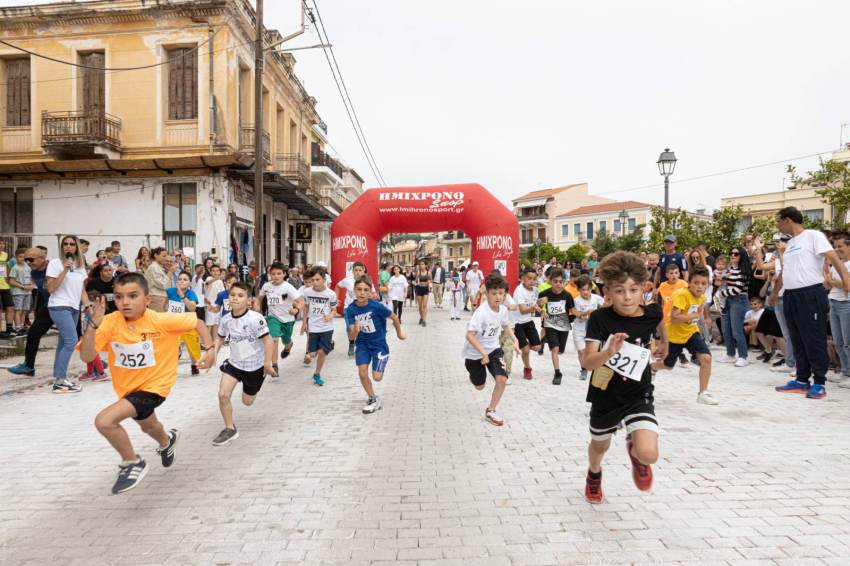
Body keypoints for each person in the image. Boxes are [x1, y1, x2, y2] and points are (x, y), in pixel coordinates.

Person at [79, 272, 216, 494]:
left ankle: (132, 462)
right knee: (149, 426)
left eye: (133, 296)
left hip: (156, 387)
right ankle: (167, 440)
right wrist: (92, 326)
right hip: (128, 390)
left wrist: (210, 350)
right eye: (119, 296)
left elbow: (198, 322)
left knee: (105, 421)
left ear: (147, 299)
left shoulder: (160, 320)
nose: (125, 302)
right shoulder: (110, 323)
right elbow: (86, 356)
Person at [581, 251, 668, 504]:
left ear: (644, 288)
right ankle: (594, 475)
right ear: (607, 291)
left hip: (638, 393)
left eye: (633, 289)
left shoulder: (652, 312)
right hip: (605, 394)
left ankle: (635, 451)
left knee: (649, 454)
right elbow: (587, 361)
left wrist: (665, 343)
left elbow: (660, 321)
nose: (627, 297)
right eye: (619, 291)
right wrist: (609, 352)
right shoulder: (600, 319)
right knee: (600, 445)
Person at [774, 207, 850, 398]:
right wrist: (774, 292)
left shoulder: (813, 236)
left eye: (779, 221)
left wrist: (846, 280)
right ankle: (801, 379)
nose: (777, 224)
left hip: (811, 295)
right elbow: (786, 271)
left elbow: (833, 257)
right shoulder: (790, 244)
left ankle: (819, 383)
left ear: (788, 220)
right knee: (797, 339)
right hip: (791, 296)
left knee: (813, 338)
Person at [211, 282, 275, 446]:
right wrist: (213, 353)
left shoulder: (255, 318)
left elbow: (268, 341)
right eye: (233, 295)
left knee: (247, 402)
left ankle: (252, 388)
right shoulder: (225, 320)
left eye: (240, 295)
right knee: (223, 395)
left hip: (255, 367)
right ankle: (229, 429)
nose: (235, 298)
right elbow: (219, 337)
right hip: (234, 363)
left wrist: (267, 363)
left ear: (248, 300)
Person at [652, 266, 718, 405]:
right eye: (696, 283)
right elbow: (675, 317)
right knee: (668, 366)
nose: (700, 287)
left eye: (703, 283)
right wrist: (694, 315)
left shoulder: (702, 297)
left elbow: (698, 312)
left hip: (690, 332)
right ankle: (651, 368)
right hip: (673, 335)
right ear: (689, 282)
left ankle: (703, 393)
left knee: (706, 358)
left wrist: (701, 317)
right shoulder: (681, 294)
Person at [463, 274, 520, 427]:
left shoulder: (502, 310)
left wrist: (515, 340)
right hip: (474, 354)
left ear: (505, 295)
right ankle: (474, 377)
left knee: (502, 379)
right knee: (479, 386)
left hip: (494, 350)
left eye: (501, 293)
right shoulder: (481, 313)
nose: (498, 297)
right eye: (494, 293)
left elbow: (506, 325)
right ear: (487, 293)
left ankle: (491, 410)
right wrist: (482, 353)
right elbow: (469, 335)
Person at [344, 277, 406, 414]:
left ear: (370, 292)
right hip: (362, 345)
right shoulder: (350, 310)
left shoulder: (376, 306)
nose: (362, 293)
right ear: (354, 290)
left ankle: (383, 360)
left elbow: (394, 317)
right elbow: (351, 337)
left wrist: (399, 333)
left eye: (366, 290)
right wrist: (354, 330)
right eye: (359, 290)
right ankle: (373, 398)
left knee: (377, 377)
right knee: (362, 373)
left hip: (379, 345)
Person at [47, 235, 93, 393]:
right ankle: (60, 380)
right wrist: (64, 270)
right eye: (65, 244)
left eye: (71, 244)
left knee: (63, 343)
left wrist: (89, 307)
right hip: (59, 306)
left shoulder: (80, 266)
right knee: (71, 341)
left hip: (74, 308)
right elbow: (51, 288)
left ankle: (58, 378)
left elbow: (81, 290)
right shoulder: (55, 263)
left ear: (76, 247)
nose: (68, 247)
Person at [6, 248, 51, 376]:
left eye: (31, 259)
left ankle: (94, 363)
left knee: (76, 337)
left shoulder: (53, 268)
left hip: (65, 307)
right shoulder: (34, 273)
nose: (28, 262)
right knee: (33, 334)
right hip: (49, 307)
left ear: (42, 259)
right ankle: (29, 366)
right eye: (26, 259)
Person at [256, 262, 303, 368]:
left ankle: (288, 346)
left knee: (286, 340)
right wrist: (257, 305)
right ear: (269, 274)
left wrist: (296, 309)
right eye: (273, 274)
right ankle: (274, 365)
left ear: (284, 274)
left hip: (287, 319)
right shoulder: (266, 286)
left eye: (278, 273)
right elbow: (259, 298)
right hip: (273, 317)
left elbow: (301, 301)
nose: (276, 276)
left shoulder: (288, 287)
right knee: (274, 339)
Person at [300, 266, 338, 386]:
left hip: (327, 327)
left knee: (321, 352)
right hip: (313, 326)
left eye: (317, 280)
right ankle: (328, 345)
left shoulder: (330, 294)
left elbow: (334, 310)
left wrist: (330, 316)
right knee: (312, 354)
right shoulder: (307, 292)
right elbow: (306, 307)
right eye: (313, 280)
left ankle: (317, 373)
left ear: (324, 279)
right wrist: (304, 323)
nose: (315, 283)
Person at [715, 246, 752, 367]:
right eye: (731, 253)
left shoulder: (743, 270)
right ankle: (730, 354)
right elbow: (720, 281)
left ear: (742, 256)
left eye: (736, 254)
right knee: (726, 329)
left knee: (737, 330)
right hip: (727, 300)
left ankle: (743, 356)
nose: (732, 255)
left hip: (738, 300)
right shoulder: (730, 268)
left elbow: (737, 289)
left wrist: (721, 294)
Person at [538, 267, 575, 385]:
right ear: (551, 281)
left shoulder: (567, 295)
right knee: (555, 349)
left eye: (560, 282)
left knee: (560, 351)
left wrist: (571, 319)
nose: (558, 284)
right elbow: (536, 306)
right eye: (555, 281)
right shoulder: (544, 294)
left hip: (563, 325)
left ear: (564, 282)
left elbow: (572, 310)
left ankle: (546, 339)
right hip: (550, 324)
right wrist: (541, 309)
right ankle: (557, 373)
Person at [825, 232, 850, 387]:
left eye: (840, 246)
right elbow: (827, 284)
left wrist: (833, 282)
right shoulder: (837, 263)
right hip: (833, 303)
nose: (837, 249)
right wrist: (833, 282)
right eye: (835, 246)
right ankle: (845, 371)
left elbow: (847, 285)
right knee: (838, 342)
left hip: (846, 304)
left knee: (848, 342)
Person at [336, 261, 376, 355]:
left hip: (362, 309)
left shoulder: (367, 281)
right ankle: (351, 343)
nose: (358, 272)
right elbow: (338, 286)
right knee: (350, 328)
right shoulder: (347, 280)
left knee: (360, 328)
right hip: (349, 308)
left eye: (360, 270)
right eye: (356, 270)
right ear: (352, 271)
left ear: (363, 270)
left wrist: (373, 296)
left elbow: (373, 293)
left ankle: (360, 345)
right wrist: (336, 298)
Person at [166, 272, 202, 376]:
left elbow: (192, 308)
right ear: (176, 281)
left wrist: (182, 296)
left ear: (190, 283)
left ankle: (194, 364)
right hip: (173, 324)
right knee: (171, 347)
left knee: (193, 349)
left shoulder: (191, 294)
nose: (182, 281)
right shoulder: (170, 291)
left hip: (187, 325)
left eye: (185, 279)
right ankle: (170, 367)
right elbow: (163, 302)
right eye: (180, 279)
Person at [572, 275, 605, 381]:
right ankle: (584, 369)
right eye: (583, 290)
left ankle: (595, 368)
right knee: (581, 351)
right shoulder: (576, 301)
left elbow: (606, 305)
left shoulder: (596, 298)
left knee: (592, 351)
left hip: (592, 329)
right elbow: (579, 315)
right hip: (579, 328)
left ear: (591, 288)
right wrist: (588, 312)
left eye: (588, 289)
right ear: (578, 290)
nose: (585, 292)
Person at [513, 266, 542, 379]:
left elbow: (535, 304)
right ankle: (527, 368)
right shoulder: (519, 291)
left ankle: (519, 346)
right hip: (517, 323)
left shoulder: (536, 290)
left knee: (538, 347)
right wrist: (535, 308)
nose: (532, 281)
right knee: (525, 350)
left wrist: (540, 307)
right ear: (523, 278)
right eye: (529, 278)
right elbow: (523, 310)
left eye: (534, 279)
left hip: (528, 321)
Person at [8, 247, 34, 335]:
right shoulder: (15, 268)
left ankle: (22, 326)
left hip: (28, 292)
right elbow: (11, 281)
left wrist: (31, 285)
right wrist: (22, 286)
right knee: (18, 310)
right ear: (16, 257)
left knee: (24, 310)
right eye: (20, 256)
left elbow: (31, 278)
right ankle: (18, 327)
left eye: (24, 257)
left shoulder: (28, 267)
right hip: (18, 292)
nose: (22, 258)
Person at [144, 247, 173, 312]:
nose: (165, 258)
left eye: (166, 256)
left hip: (160, 298)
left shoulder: (158, 267)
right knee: (158, 320)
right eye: (163, 256)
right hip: (156, 298)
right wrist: (170, 272)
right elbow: (163, 285)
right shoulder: (154, 267)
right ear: (156, 255)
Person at [204, 265, 225, 337]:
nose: (215, 272)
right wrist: (215, 279)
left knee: (216, 324)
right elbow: (207, 283)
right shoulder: (209, 278)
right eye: (213, 271)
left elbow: (222, 293)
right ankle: (207, 341)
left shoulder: (220, 281)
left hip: (217, 306)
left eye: (217, 271)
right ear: (210, 272)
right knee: (209, 324)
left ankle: (214, 341)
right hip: (210, 305)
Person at [0, 238, 14, 338]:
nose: (1, 246)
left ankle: (9, 329)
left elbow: (4, 268)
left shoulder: (5, 255)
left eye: (2, 244)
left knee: (10, 307)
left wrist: (7, 278)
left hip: (5, 285)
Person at [414, 260, 431, 326]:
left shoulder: (428, 272)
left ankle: (424, 320)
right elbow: (416, 281)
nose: (421, 265)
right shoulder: (418, 272)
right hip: (419, 289)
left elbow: (430, 279)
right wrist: (417, 281)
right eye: (420, 264)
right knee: (420, 306)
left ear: (425, 265)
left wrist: (428, 282)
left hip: (425, 289)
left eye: (423, 264)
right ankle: (421, 317)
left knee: (425, 305)